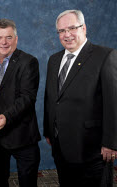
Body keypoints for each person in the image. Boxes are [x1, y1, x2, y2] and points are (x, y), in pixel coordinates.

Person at [43, 9, 117, 187]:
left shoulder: (105, 56)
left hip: (92, 149)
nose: (67, 35)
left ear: (84, 28)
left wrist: (111, 142)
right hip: (60, 144)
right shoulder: (54, 60)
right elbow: (51, 97)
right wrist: (48, 130)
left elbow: (113, 102)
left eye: (72, 28)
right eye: (61, 31)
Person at [0, 19, 41, 187]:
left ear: (16, 39)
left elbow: (27, 98)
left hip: (22, 135)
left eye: (9, 37)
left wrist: (6, 117)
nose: (4, 42)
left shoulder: (28, 62)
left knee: (28, 182)